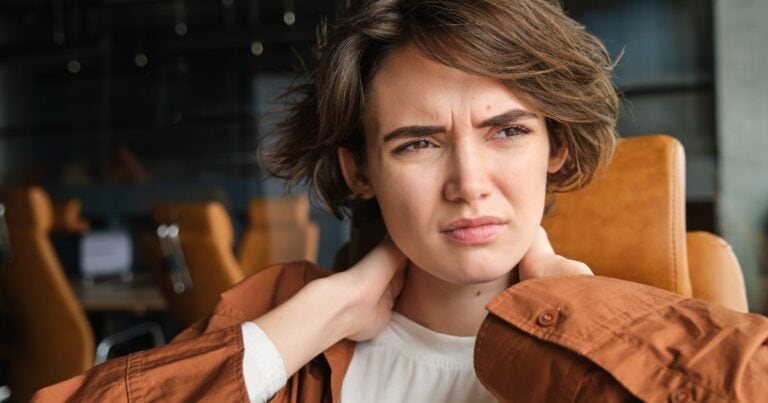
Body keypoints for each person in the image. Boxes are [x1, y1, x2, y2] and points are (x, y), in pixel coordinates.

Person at [34, 0, 768, 402]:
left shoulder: (642, 323)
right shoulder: (294, 325)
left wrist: (568, 310)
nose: (469, 182)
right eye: (417, 142)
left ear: (558, 149)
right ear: (359, 171)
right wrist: (325, 311)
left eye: (507, 131)